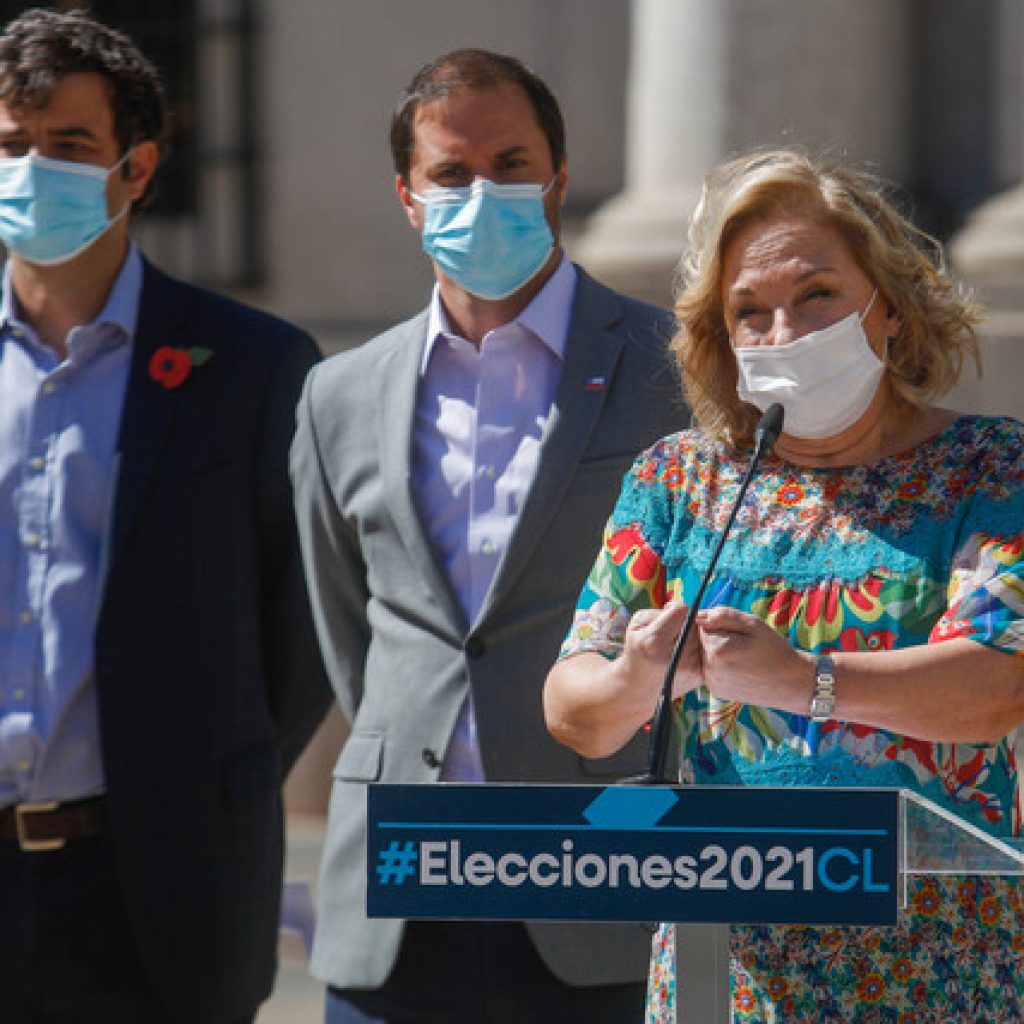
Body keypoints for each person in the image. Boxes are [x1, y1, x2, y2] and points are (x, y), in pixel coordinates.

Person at [544, 148, 1024, 1023]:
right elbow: (574, 707)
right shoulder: (678, 484)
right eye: (749, 312)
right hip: (726, 975)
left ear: (890, 309)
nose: (784, 333)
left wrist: (803, 680)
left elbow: (996, 684)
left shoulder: (989, 468)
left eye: (817, 296)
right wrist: (636, 676)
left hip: (942, 964)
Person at [291, 47, 686, 1024]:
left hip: (600, 879)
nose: (484, 192)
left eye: (510, 164)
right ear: (407, 195)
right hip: (400, 891)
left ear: (556, 173)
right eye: (451, 173)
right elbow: (350, 626)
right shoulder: (340, 393)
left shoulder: (670, 371)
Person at [0, 9, 331, 1024]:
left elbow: (304, 624)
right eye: (11, 144)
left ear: (137, 170)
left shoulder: (253, 366)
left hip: (153, 893)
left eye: (68, 146)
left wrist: (202, 776)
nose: (30, 171)